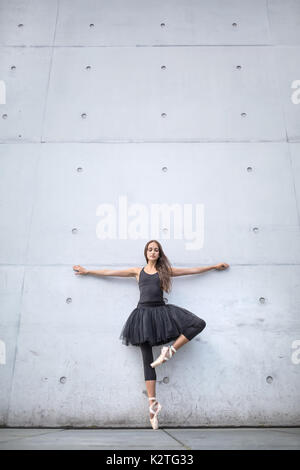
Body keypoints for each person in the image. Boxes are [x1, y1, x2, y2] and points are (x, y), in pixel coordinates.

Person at [73, 240, 229, 430]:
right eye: (150, 249)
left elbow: (191, 271)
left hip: (161, 313)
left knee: (198, 324)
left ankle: (170, 351)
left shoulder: (165, 272)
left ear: (159, 253)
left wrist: (213, 266)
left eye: (156, 250)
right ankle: (153, 406)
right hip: (142, 317)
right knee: (147, 361)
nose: (153, 252)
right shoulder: (137, 272)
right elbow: (110, 273)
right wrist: (88, 271)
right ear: (146, 253)